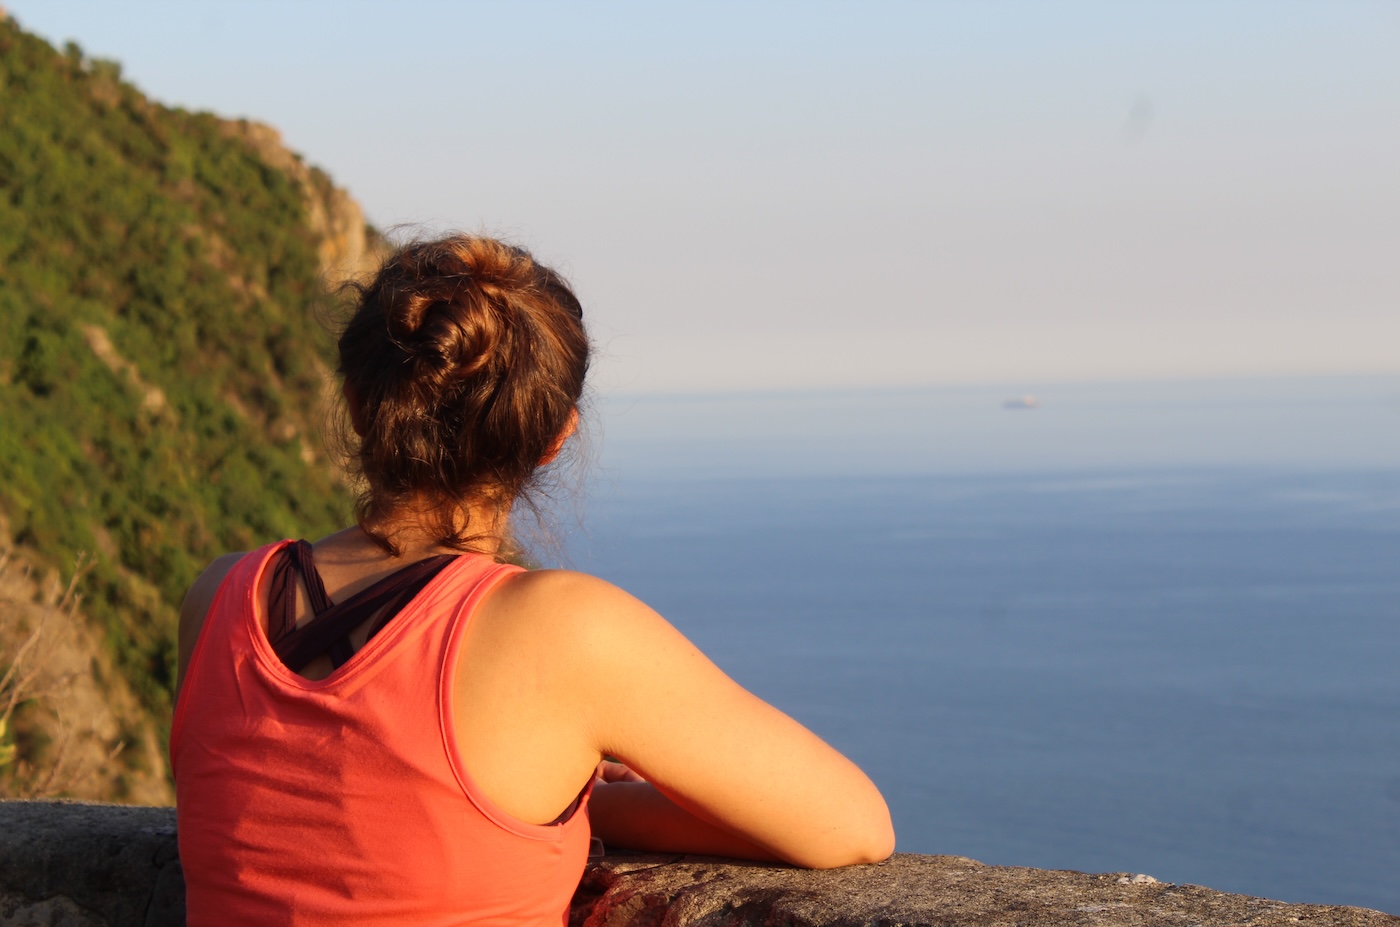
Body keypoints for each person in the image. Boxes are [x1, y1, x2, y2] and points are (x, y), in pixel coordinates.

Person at [170, 235, 894, 927]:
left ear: (360, 407)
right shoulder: (561, 630)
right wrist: (587, 801)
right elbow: (853, 825)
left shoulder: (219, 598)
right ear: (555, 439)